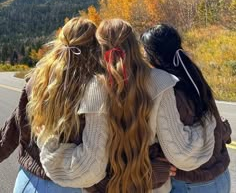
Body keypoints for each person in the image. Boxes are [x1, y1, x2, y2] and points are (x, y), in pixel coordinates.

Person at [36, 19, 217, 193]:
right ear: (135, 46)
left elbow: (88, 169)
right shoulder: (161, 81)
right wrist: (208, 121)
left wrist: (47, 140)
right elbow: (182, 153)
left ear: (98, 50)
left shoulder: (94, 88)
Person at [0, 17, 102, 193]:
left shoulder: (38, 80)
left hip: (29, 181)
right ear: (95, 47)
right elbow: (98, 147)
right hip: (71, 184)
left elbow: (14, 128)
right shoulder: (96, 88)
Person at [140, 23, 231, 193]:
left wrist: (156, 157)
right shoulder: (193, 75)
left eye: (145, 51)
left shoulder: (167, 88)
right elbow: (214, 121)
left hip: (193, 183)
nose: (143, 56)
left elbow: (179, 145)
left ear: (155, 55)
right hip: (221, 176)